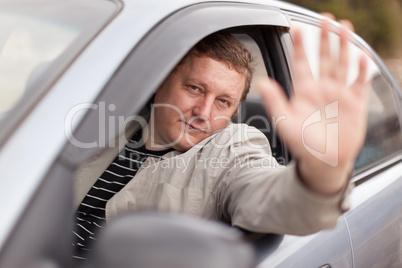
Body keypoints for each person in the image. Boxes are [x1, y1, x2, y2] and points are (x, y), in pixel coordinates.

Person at [72, 19, 369, 260]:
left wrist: (323, 171)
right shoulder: (110, 121)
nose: (203, 112)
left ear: (235, 111)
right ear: (160, 82)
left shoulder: (234, 149)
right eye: (194, 88)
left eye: (223, 102)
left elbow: (275, 198)